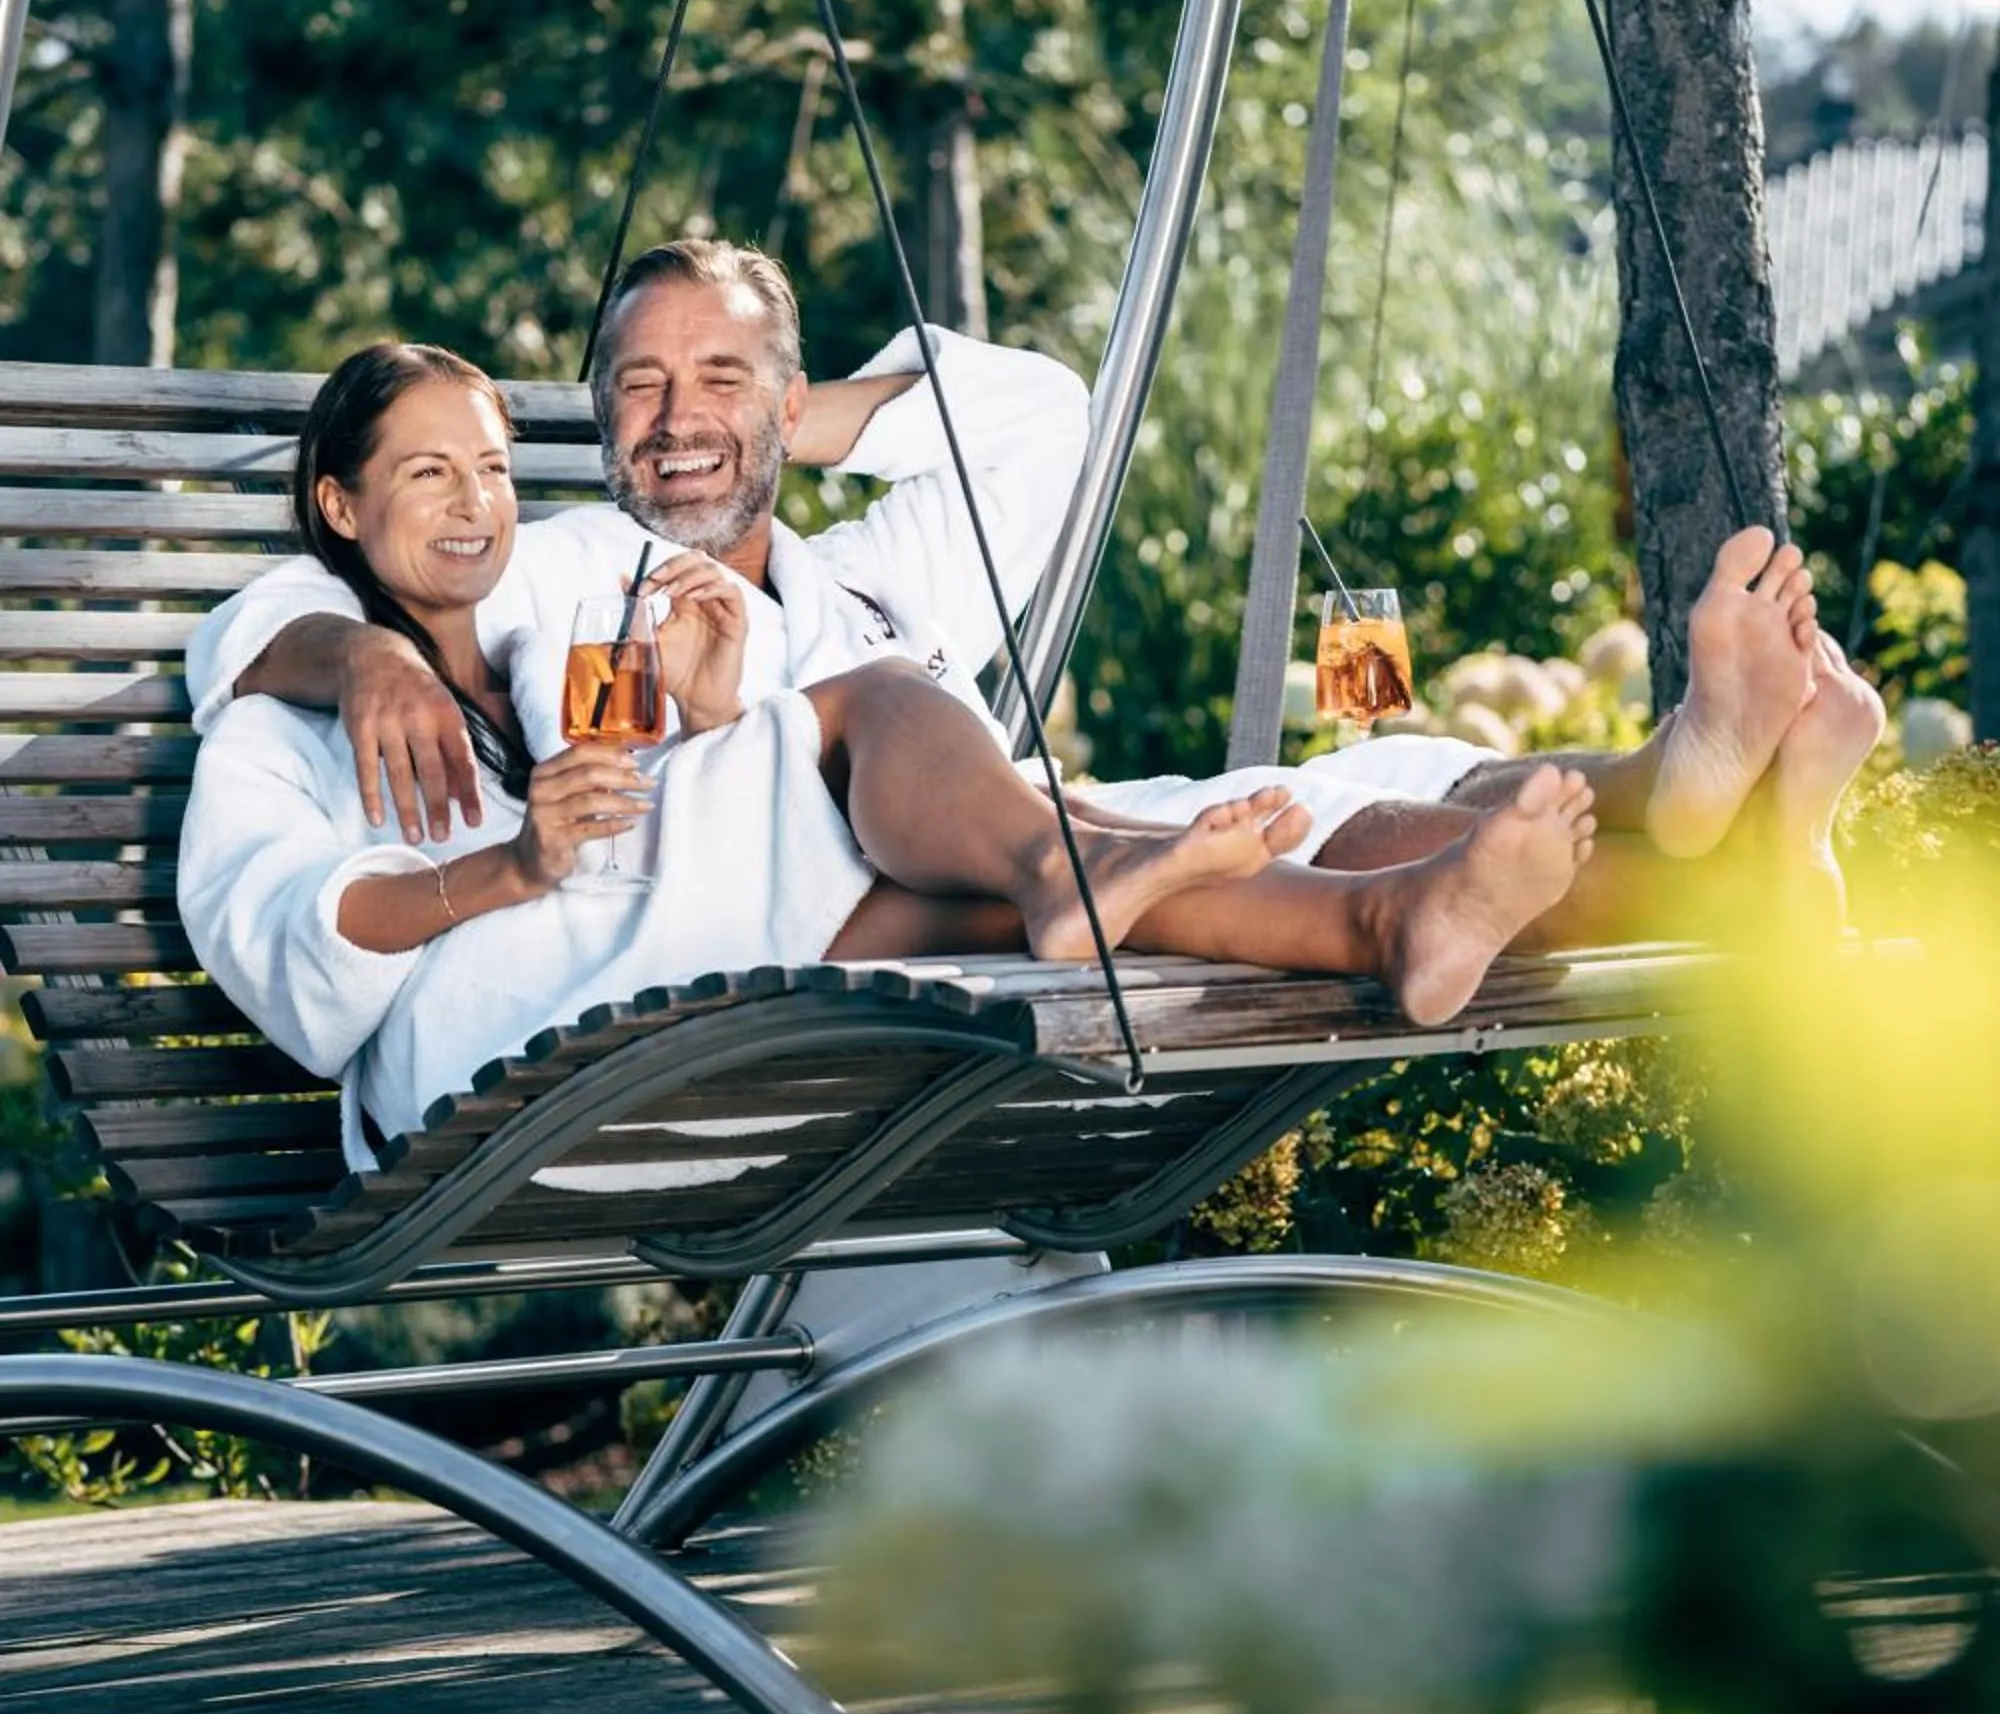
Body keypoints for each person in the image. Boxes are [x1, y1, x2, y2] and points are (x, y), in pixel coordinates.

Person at [185, 237, 1881, 952]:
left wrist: (799, 410)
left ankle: (1706, 810)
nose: (674, 419)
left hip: (1039, 839)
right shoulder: (566, 565)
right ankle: (1697, 804)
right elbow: (287, 615)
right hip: (862, 906)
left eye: (718, 381)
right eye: (637, 387)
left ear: (786, 405)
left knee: (1352, 804)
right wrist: (359, 663)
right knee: (1289, 846)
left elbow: (1045, 416)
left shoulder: (879, 570)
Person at [178, 341, 1598, 1168]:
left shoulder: (550, 613)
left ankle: (1389, 920)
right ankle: (1077, 870)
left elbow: (644, 843)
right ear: (339, 505)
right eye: (428, 475)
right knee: (861, 704)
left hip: (640, 976)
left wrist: (722, 715)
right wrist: (503, 857)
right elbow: (290, 940)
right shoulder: (279, 704)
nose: (477, 503)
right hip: (469, 1060)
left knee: (951, 897)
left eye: (492, 467)